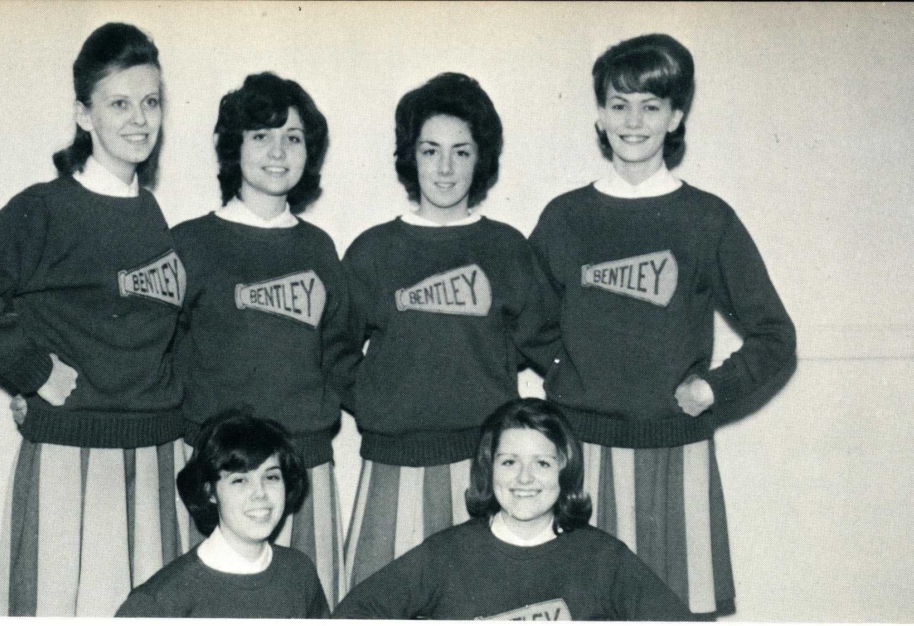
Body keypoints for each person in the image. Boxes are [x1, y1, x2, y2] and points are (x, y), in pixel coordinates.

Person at [528, 33, 797, 617]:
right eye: (619, 105)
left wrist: (713, 388)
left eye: (651, 107)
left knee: (672, 612)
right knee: (579, 609)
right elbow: (526, 318)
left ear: (675, 117)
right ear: (599, 115)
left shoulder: (706, 219)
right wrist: (564, 374)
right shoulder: (565, 217)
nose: (634, 121)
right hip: (581, 456)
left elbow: (776, 337)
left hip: (673, 457)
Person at [0, 23, 187, 617]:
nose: (139, 119)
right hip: (77, 458)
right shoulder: (47, 207)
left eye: (150, 102)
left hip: (155, 457)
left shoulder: (150, 212)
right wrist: (33, 370)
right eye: (118, 103)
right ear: (83, 113)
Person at [342, 72, 560, 590]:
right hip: (394, 463)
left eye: (461, 152)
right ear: (409, 156)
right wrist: (378, 401)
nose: (444, 168)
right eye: (430, 150)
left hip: (481, 468)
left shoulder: (505, 248)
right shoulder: (374, 250)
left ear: (479, 159)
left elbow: (550, 345)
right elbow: (333, 351)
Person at [171, 72, 356, 606]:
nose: (278, 152)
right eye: (261, 136)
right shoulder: (190, 243)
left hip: (304, 464)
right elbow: (149, 347)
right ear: (234, 149)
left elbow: (341, 355)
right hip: (220, 469)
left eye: (292, 138)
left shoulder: (320, 248)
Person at [334, 398, 690, 620]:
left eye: (542, 464)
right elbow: (353, 614)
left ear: (565, 470)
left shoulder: (602, 557)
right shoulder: (447, 554)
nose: (524, 478)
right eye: (508, 462)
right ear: (489, 468)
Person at [115, 410, 330, 617]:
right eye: (240, 480)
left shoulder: (299, 573)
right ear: (210, 491)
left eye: (271, 477)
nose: (260, 494)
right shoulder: (159, 600)